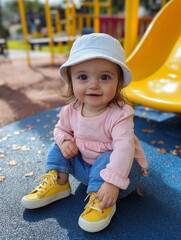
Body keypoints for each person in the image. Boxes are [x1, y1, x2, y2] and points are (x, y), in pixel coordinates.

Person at [21, 33, 148, 233]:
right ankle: (60, 182)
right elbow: (60, 129)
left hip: (119, 177)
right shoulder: (71, 110)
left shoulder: (120, 115)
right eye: (83, 77)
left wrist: (112, 182)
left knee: (109, 156)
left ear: (119, 82)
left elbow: (124, 148)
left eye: (105, 77)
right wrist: (64, 141)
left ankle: (102, 200)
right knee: (58, 145)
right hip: (85, 171)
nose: (93, 85)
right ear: (71, 81)